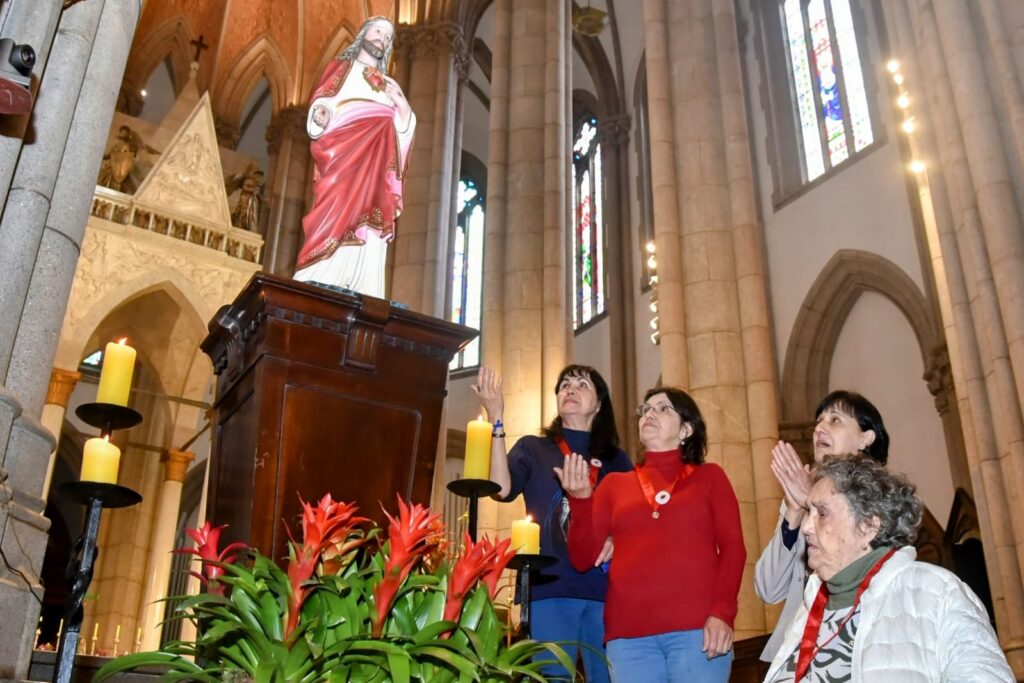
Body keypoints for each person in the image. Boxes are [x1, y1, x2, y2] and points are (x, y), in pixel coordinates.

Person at [763, 455, 1013, 682]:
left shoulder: (935, 592)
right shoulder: (809, 605)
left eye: (822, 513)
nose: (806, 527)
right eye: (808, 513)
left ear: (868, 526)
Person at [558, 386, 746, 683]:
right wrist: (581, 500)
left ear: (686, 429)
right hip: (629, 640)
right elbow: (583, 560)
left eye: (662, 408)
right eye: (645, 410)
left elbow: (734, 549)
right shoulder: (614, 485)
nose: (649, 414)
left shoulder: (710, 478)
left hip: (697, 631)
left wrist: (722, 613)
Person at [472, 364, 632, 683]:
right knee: (553, 678)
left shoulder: (617, 460)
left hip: (607, 588)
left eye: (581, 384)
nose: (570, 389)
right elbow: (500, 489)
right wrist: (496, 418)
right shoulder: (534, 448)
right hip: (550, 584)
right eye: (564, 385)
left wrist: (618, 539)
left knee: (608, 677)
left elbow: (633, 519)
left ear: (599, 404)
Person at [755, 390, 889, 662]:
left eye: (835, 420)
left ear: (866, 437)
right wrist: (793, 514)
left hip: (858, 643)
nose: (820, 428)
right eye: (819, 420)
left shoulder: (882, 495)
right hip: (799, 648)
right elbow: (767, 590)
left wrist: (810, 505)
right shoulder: (801, 492)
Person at [294, 16, 415, 298]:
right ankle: (321, 269)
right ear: (363, 34)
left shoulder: (388, 83)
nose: (381, 40)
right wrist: (321, 113)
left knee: (371, 219)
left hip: (377, 159)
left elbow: (403, 126)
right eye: (377, 32)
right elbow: (322, 101)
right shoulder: (341, 68)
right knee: (335, 206)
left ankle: (363, 283)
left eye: (387, 38)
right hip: (343, 154)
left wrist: (403, 106)